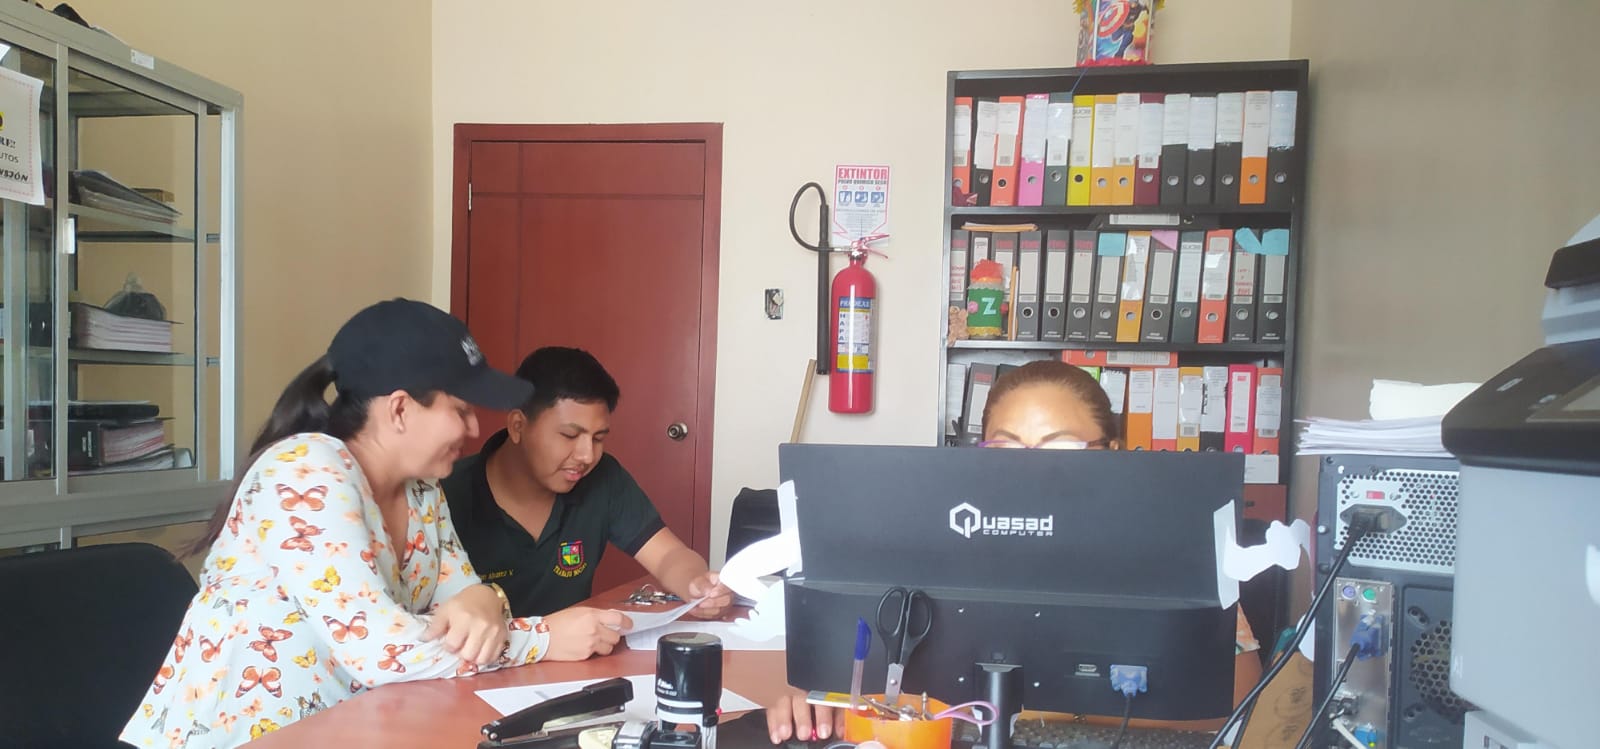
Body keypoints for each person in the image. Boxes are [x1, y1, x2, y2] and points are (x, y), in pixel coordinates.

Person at [119, 299, 614, 749]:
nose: (474, 429)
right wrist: (544, 637)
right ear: (399, 409)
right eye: (461, 409)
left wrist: (485, 600)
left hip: (350, 730)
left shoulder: (422, 490)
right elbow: (381, 649)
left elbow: (466, 615)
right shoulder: (304, 471)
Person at [765, 360, 1264, 743]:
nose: (1031, 473)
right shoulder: (929, 547)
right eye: (1005, 449)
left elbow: (1241, 703)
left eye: (1060, 448)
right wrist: (826, 702)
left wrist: (1043, 714)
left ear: (1112, 454)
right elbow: (871, 687)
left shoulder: (1169, 548)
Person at [441, 347, 730, 657]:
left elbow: (668, 555)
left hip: (576, 668)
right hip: (475, 672)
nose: (587, 455)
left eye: (598, 438)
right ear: (518, 426)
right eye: (569, 435)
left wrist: (697, 584)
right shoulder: (444, 494)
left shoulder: (603, 478)